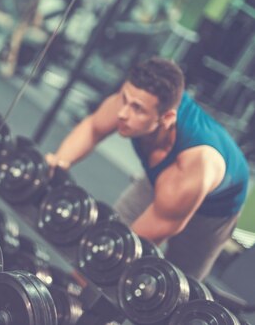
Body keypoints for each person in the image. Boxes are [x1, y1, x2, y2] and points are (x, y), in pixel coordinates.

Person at [46, 57, 250, 280]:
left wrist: (106, 258)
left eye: (137, 109)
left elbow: (127, 248)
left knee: (175, 285)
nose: (122, 113)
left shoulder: (193, 166)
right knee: (110, 235)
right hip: (164, 178)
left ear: (167, 118)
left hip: (214, 209)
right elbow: (94, 127)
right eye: (124, 98)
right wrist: (59, 162)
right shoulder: (133, 100)